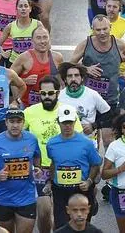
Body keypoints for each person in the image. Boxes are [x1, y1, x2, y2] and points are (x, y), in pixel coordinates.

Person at [23, 76, 83, 233]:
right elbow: (20, 138)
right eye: (43, 93)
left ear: (58, 92)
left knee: (62, 212)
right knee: (43, 211)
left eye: (51, 93)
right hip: (40, 168)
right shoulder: (29, 112)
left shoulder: (67, 110)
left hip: (64, 167)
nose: (47, 97)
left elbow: (80, 139)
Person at [71, 15, 125, 132]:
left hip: (110, 98)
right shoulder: (85, 44)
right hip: (88, 98)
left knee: (107, 137)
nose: (102, 33)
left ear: (110, 27)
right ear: (92, 29)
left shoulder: (119, 44)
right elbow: (70, 64)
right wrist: (85, 69)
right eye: (98, 30)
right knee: (89, 134)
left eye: (105, 29)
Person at [0, 110, 41, 233]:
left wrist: (37, 167)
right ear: (6, 123)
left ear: (24, 123)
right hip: (3, 198)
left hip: (26, 197)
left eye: (19, 122)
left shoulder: (31, 139)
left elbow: (36, 156)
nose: (15, 125)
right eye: (12, 122)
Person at [46, 106, 102, 230]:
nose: (67, 126)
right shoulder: (51, 143)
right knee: (61, 225)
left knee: (81, 225)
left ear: (75, 122)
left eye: (70, 122)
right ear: (58, 122)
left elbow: (95, 164)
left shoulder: (86, 143)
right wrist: (50, 182)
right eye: (64, 123)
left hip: (81, 189)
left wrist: (89, 181)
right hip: (60, 190)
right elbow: (53, 163)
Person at [58, 62, 110, 145]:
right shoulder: (59, 96)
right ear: (65, 79)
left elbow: (108, 114)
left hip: (88, 142)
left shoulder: (92, 94)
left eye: (77, 75)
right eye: (70, 76)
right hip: (66, 142)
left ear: (82, 78)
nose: (73, 79)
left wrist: (94, 125)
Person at [11, 25, 62, 107]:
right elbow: (8, 79)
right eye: (38, 38)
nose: (42, 41)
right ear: (32, 41)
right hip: (28, 107)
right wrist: (24, 81)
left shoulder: (57, 57)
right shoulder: (24, 58)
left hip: (50, 105)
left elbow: (61, 82)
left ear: (49, 39)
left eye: (45, 37)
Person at [0, 0, 43, 66]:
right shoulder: (10, 26)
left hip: (33, 62)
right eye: (20, 6)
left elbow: (45, 42)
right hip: (15, 63)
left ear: (30, 9)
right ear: (16, 9)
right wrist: (3, 53)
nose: (23, 9)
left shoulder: (37, 24)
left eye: (26, 6)